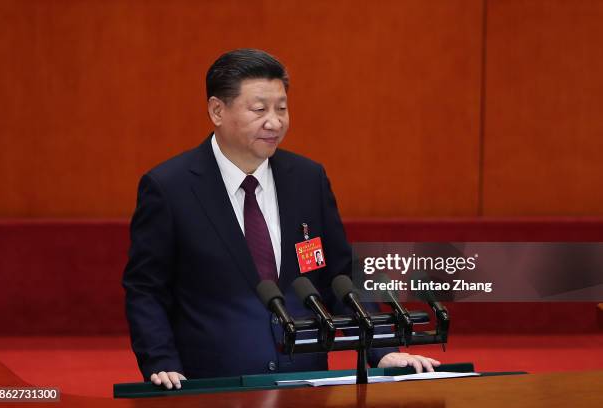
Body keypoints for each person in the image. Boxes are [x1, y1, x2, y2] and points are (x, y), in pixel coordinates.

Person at [123, 49, 440, 390]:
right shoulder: (170, 187)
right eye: (259, 110)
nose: (274, 122)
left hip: (306, 383)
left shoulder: (307, 179)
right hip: (212, 385)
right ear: (217, 110)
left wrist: (382, 349)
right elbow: (146, 288)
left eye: (282, 108)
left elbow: (341, 274)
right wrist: (161, 361)